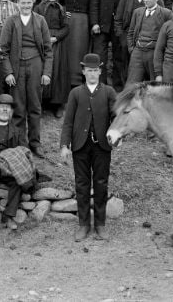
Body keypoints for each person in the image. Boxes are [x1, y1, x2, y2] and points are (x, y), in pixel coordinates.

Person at [60, 53, 117, 242]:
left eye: (95, 70)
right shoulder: (76, 93)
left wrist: (117, 136)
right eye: (89, 70)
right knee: (82, 185)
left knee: (101, 184)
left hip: (102, 146)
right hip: (80, 145)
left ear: (100, 71)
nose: (92, 74)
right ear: (83, 72)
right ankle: (84, 225)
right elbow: (68, 122)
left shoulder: (109, 92)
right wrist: (64, 145)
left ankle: (100, 224)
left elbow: (116, 118)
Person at [0, 0, 53, 156]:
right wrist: (8, 72)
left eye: (29, 2)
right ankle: (20, 144)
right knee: (19, 108)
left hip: (36, 65)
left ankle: (35, 143)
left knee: (35, 107)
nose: (26, 5)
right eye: (23, 3)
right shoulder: (11, 21)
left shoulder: (40, 21)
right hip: (17, 67)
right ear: (17, 3)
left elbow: (48, 50)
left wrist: (46, 73)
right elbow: (3, 50)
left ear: (33, 2)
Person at [0, 94, 29, 231]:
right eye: (2, 107)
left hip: (6, 167)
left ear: (12, 111)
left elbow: (24, 151)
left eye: (8, 108)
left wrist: (10, 158)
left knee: (18, 180)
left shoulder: (18, 131)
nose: (5, 110)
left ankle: (8, 216)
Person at [90, 0, 131, 91]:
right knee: (100, 56)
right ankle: (100, 86)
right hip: (102, 25)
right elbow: (94, 4)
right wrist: (94, 23)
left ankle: (118, 87)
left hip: (119, 26)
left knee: (119, 57)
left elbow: (128, 5)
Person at [35, 0, 70, 117]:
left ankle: (57, 104)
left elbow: (66, 27)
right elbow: (35, 24)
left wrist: (56, 37)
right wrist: (44, 38)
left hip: (57, 43)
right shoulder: (39, 7)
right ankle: (42, 103)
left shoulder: (61, 9)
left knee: (57, 71)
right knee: (42, 69)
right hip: (42, 41)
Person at [126, 0, 173, 84]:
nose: (146, 0)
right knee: (132, 83)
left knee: (154, 85)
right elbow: (130, 32)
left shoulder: (166, 13)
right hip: (137, 52)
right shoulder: (137, 12)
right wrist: (132, 49)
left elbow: (170, 37)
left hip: (154, 53)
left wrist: (161, 53)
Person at [60, 0, 94, 89]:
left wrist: (91, 24)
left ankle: (79, 79)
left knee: (80, 49)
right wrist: (63, 12)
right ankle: (67, 78)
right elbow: (58, 2)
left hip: (83, 23)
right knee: (69, 49)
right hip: (69, 22)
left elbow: (92, 7)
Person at [113, 0, 148, 86]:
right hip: (128, 37)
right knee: (126, 64)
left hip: (147, 37)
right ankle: (125, 89)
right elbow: (117, 20)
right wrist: (122, 38)